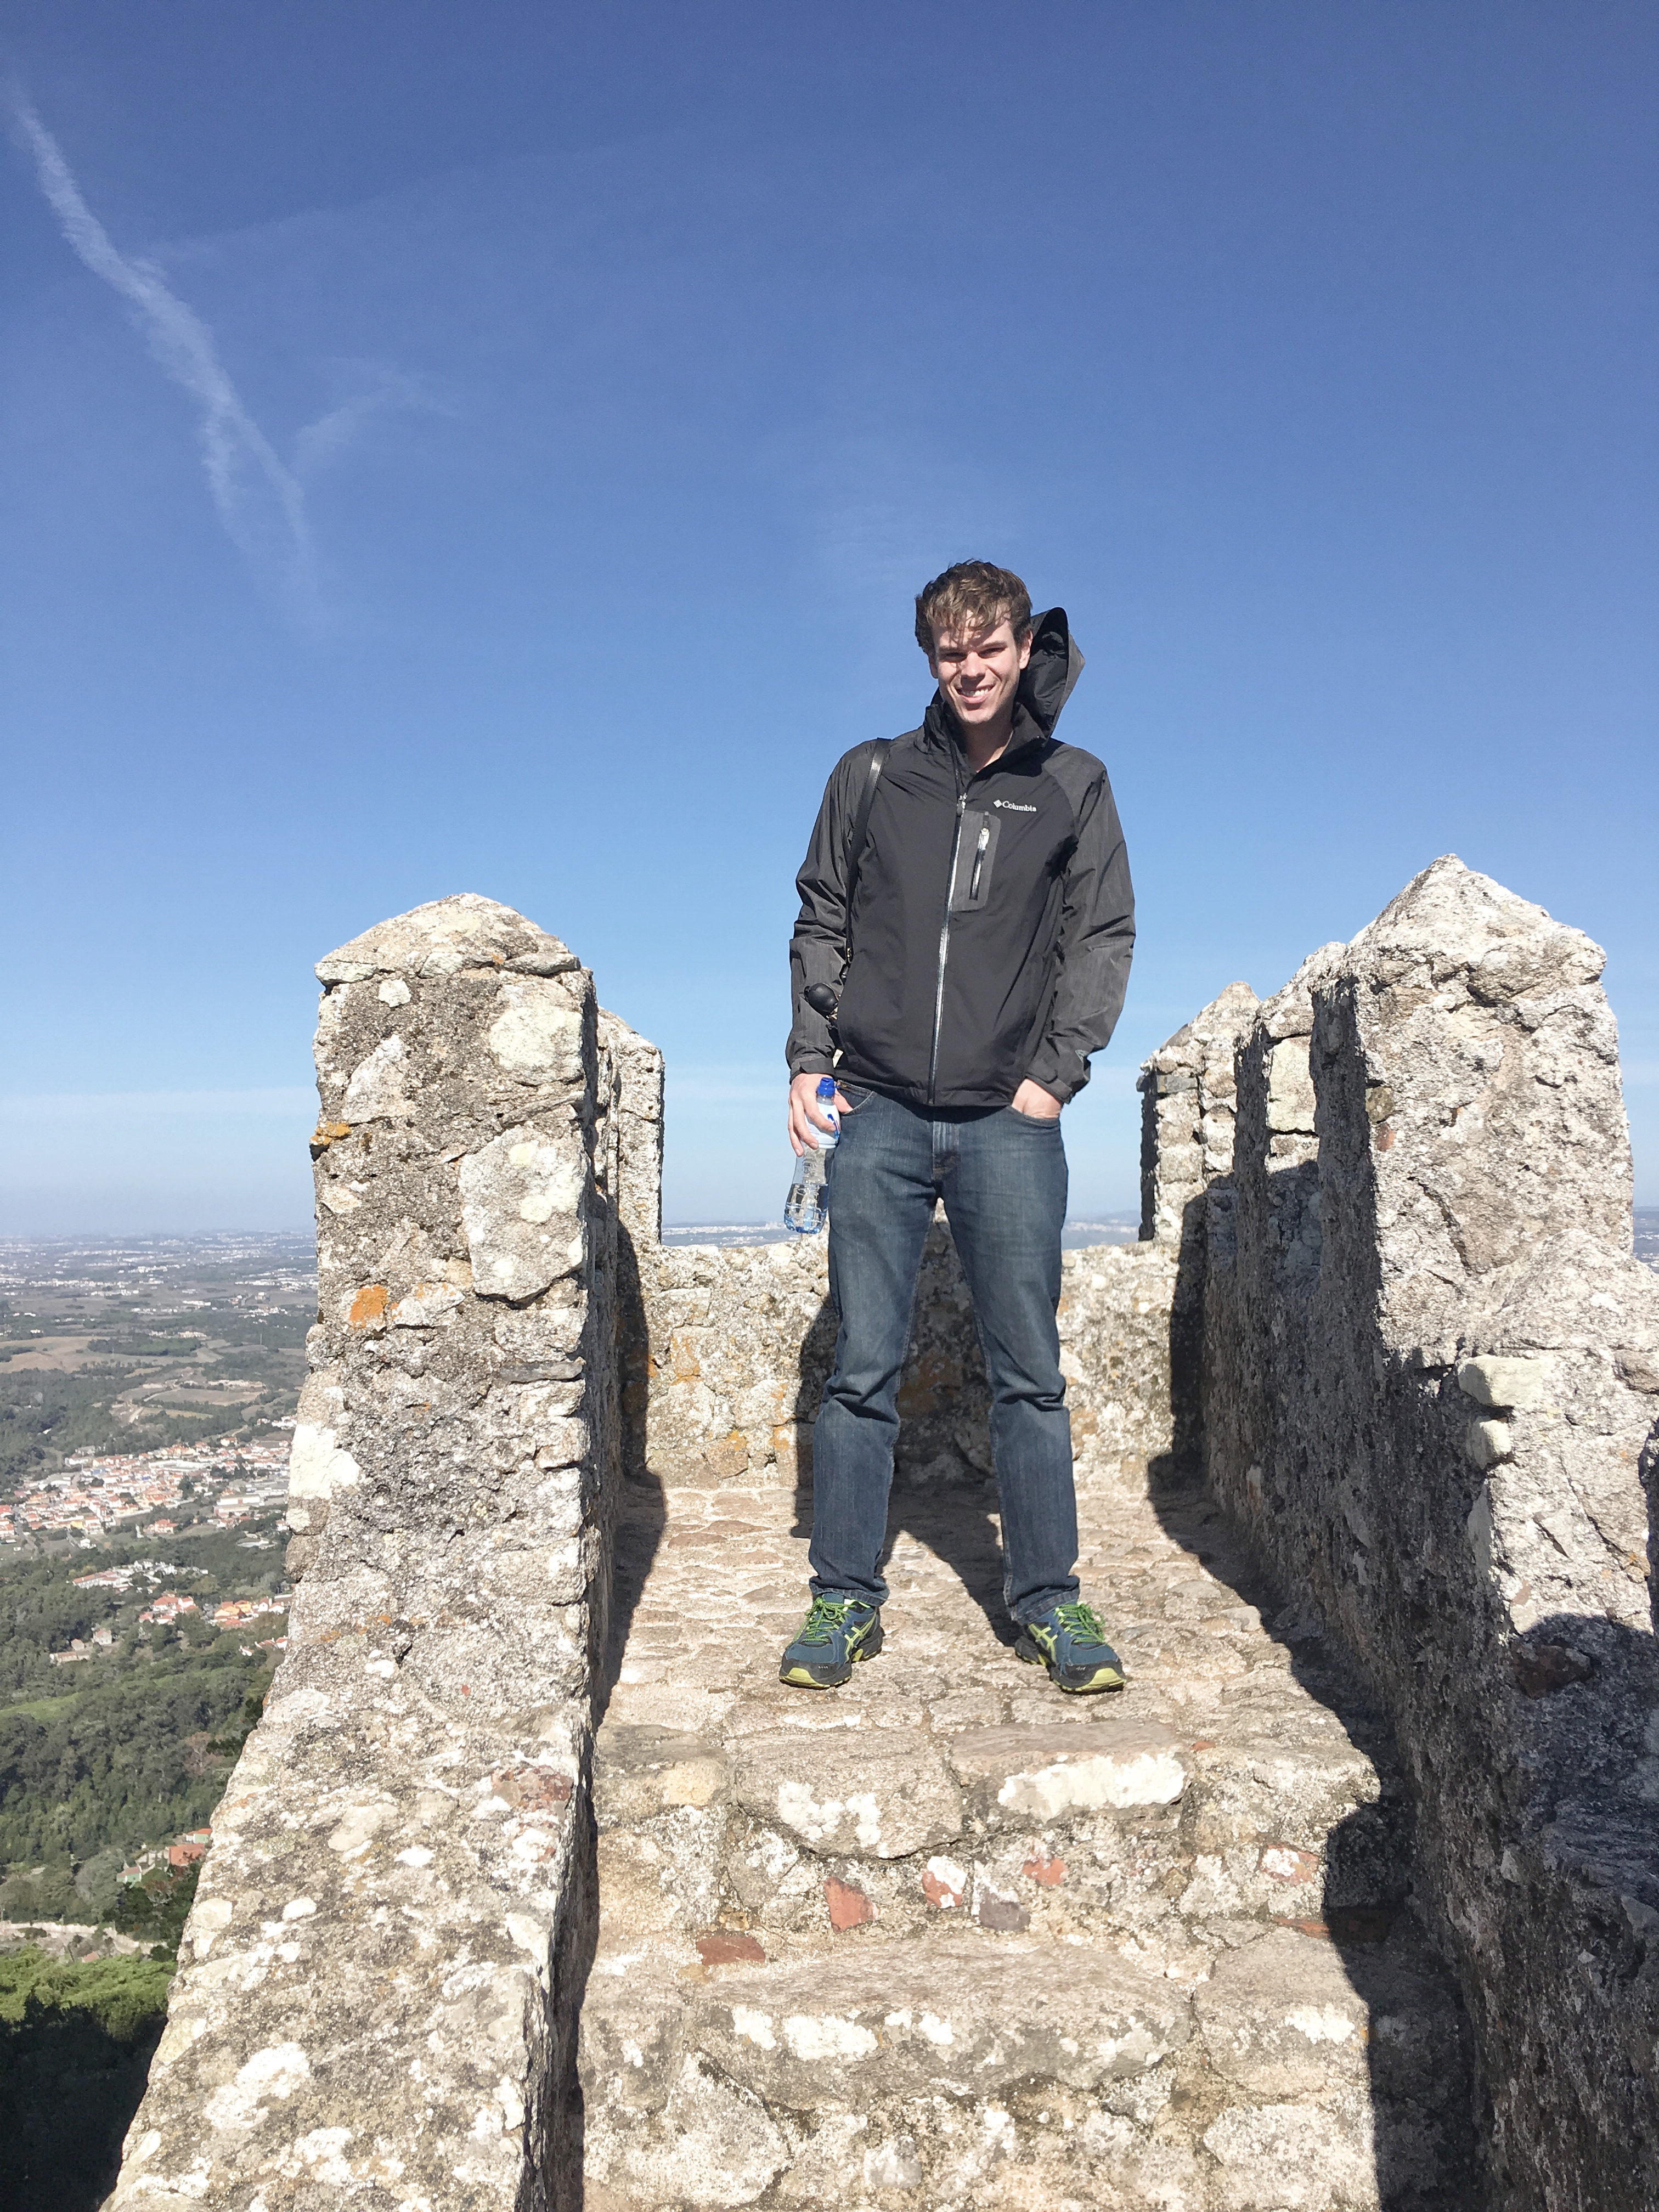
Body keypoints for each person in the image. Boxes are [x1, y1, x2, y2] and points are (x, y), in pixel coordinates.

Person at [780, 560, 1136, 1694]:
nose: (969, 668)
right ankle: (843, 1598)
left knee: (1028, 1374)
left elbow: (1103, 938)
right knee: (862, 1370)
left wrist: (1054, 1077)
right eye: (948, 650)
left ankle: (1049, 1602)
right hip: (879, 1107)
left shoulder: (1071, 784)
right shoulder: (873, 775)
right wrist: (808, 1056)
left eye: (988, 647)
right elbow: (821, 912)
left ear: (1024, 648)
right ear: (929, 657)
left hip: (1008, 1118)